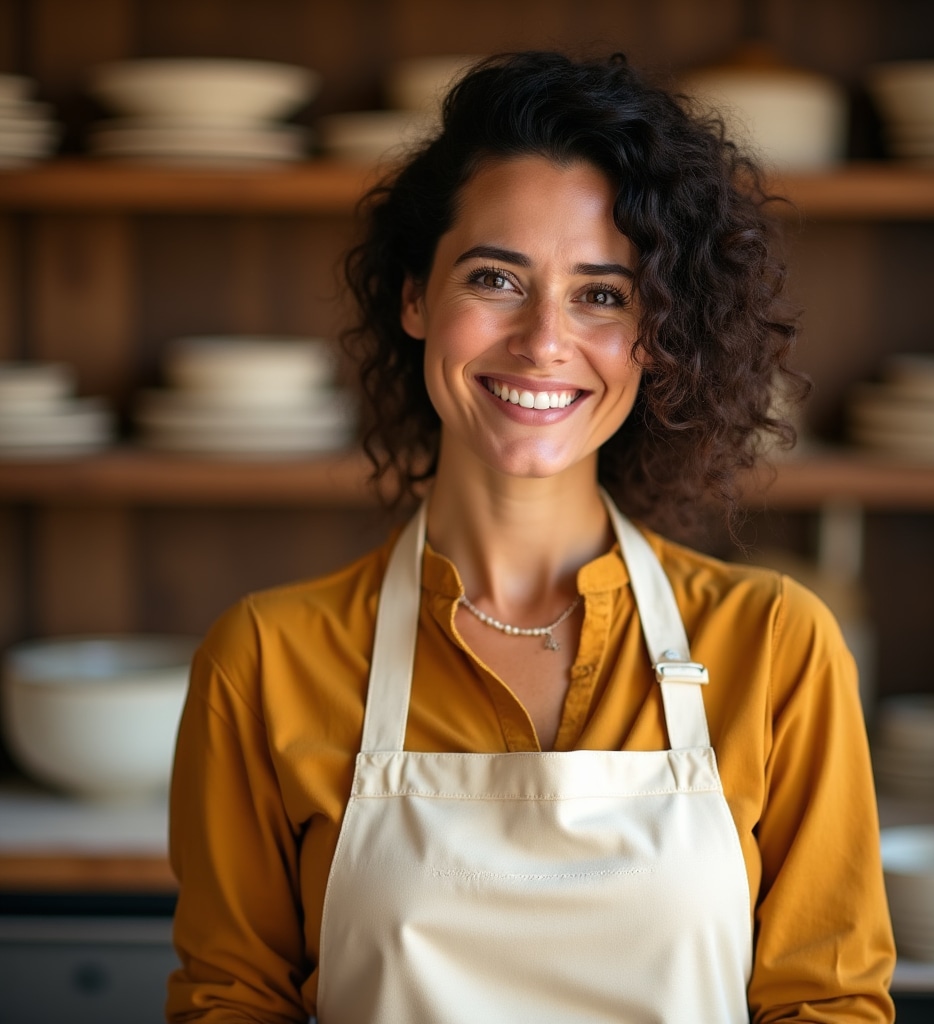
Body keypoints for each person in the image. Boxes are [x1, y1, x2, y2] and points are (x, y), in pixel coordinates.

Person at [167, 50, 896, 1023]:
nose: (544, 340)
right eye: (497, 278)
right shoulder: (265, 659)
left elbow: (830, 1003)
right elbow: (230, 1001)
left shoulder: (774, 646)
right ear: (416, 299)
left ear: (656, 331)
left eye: (601, 293)